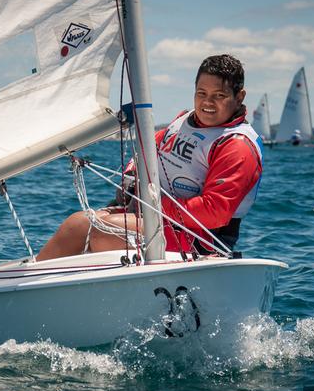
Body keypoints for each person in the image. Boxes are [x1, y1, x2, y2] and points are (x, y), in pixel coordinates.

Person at [37, 54, 263, 261]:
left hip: (201, 240)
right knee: (77, 222)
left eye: (219, 96)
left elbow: (215, 212)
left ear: (239, 96)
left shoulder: (237, 146)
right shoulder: (183, 120)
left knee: (92, 230)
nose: (207, 103)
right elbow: (151, 145)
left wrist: (151, 206)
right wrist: (132, 173)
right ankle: (30, 284)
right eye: (201, 93)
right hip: (158, 220)